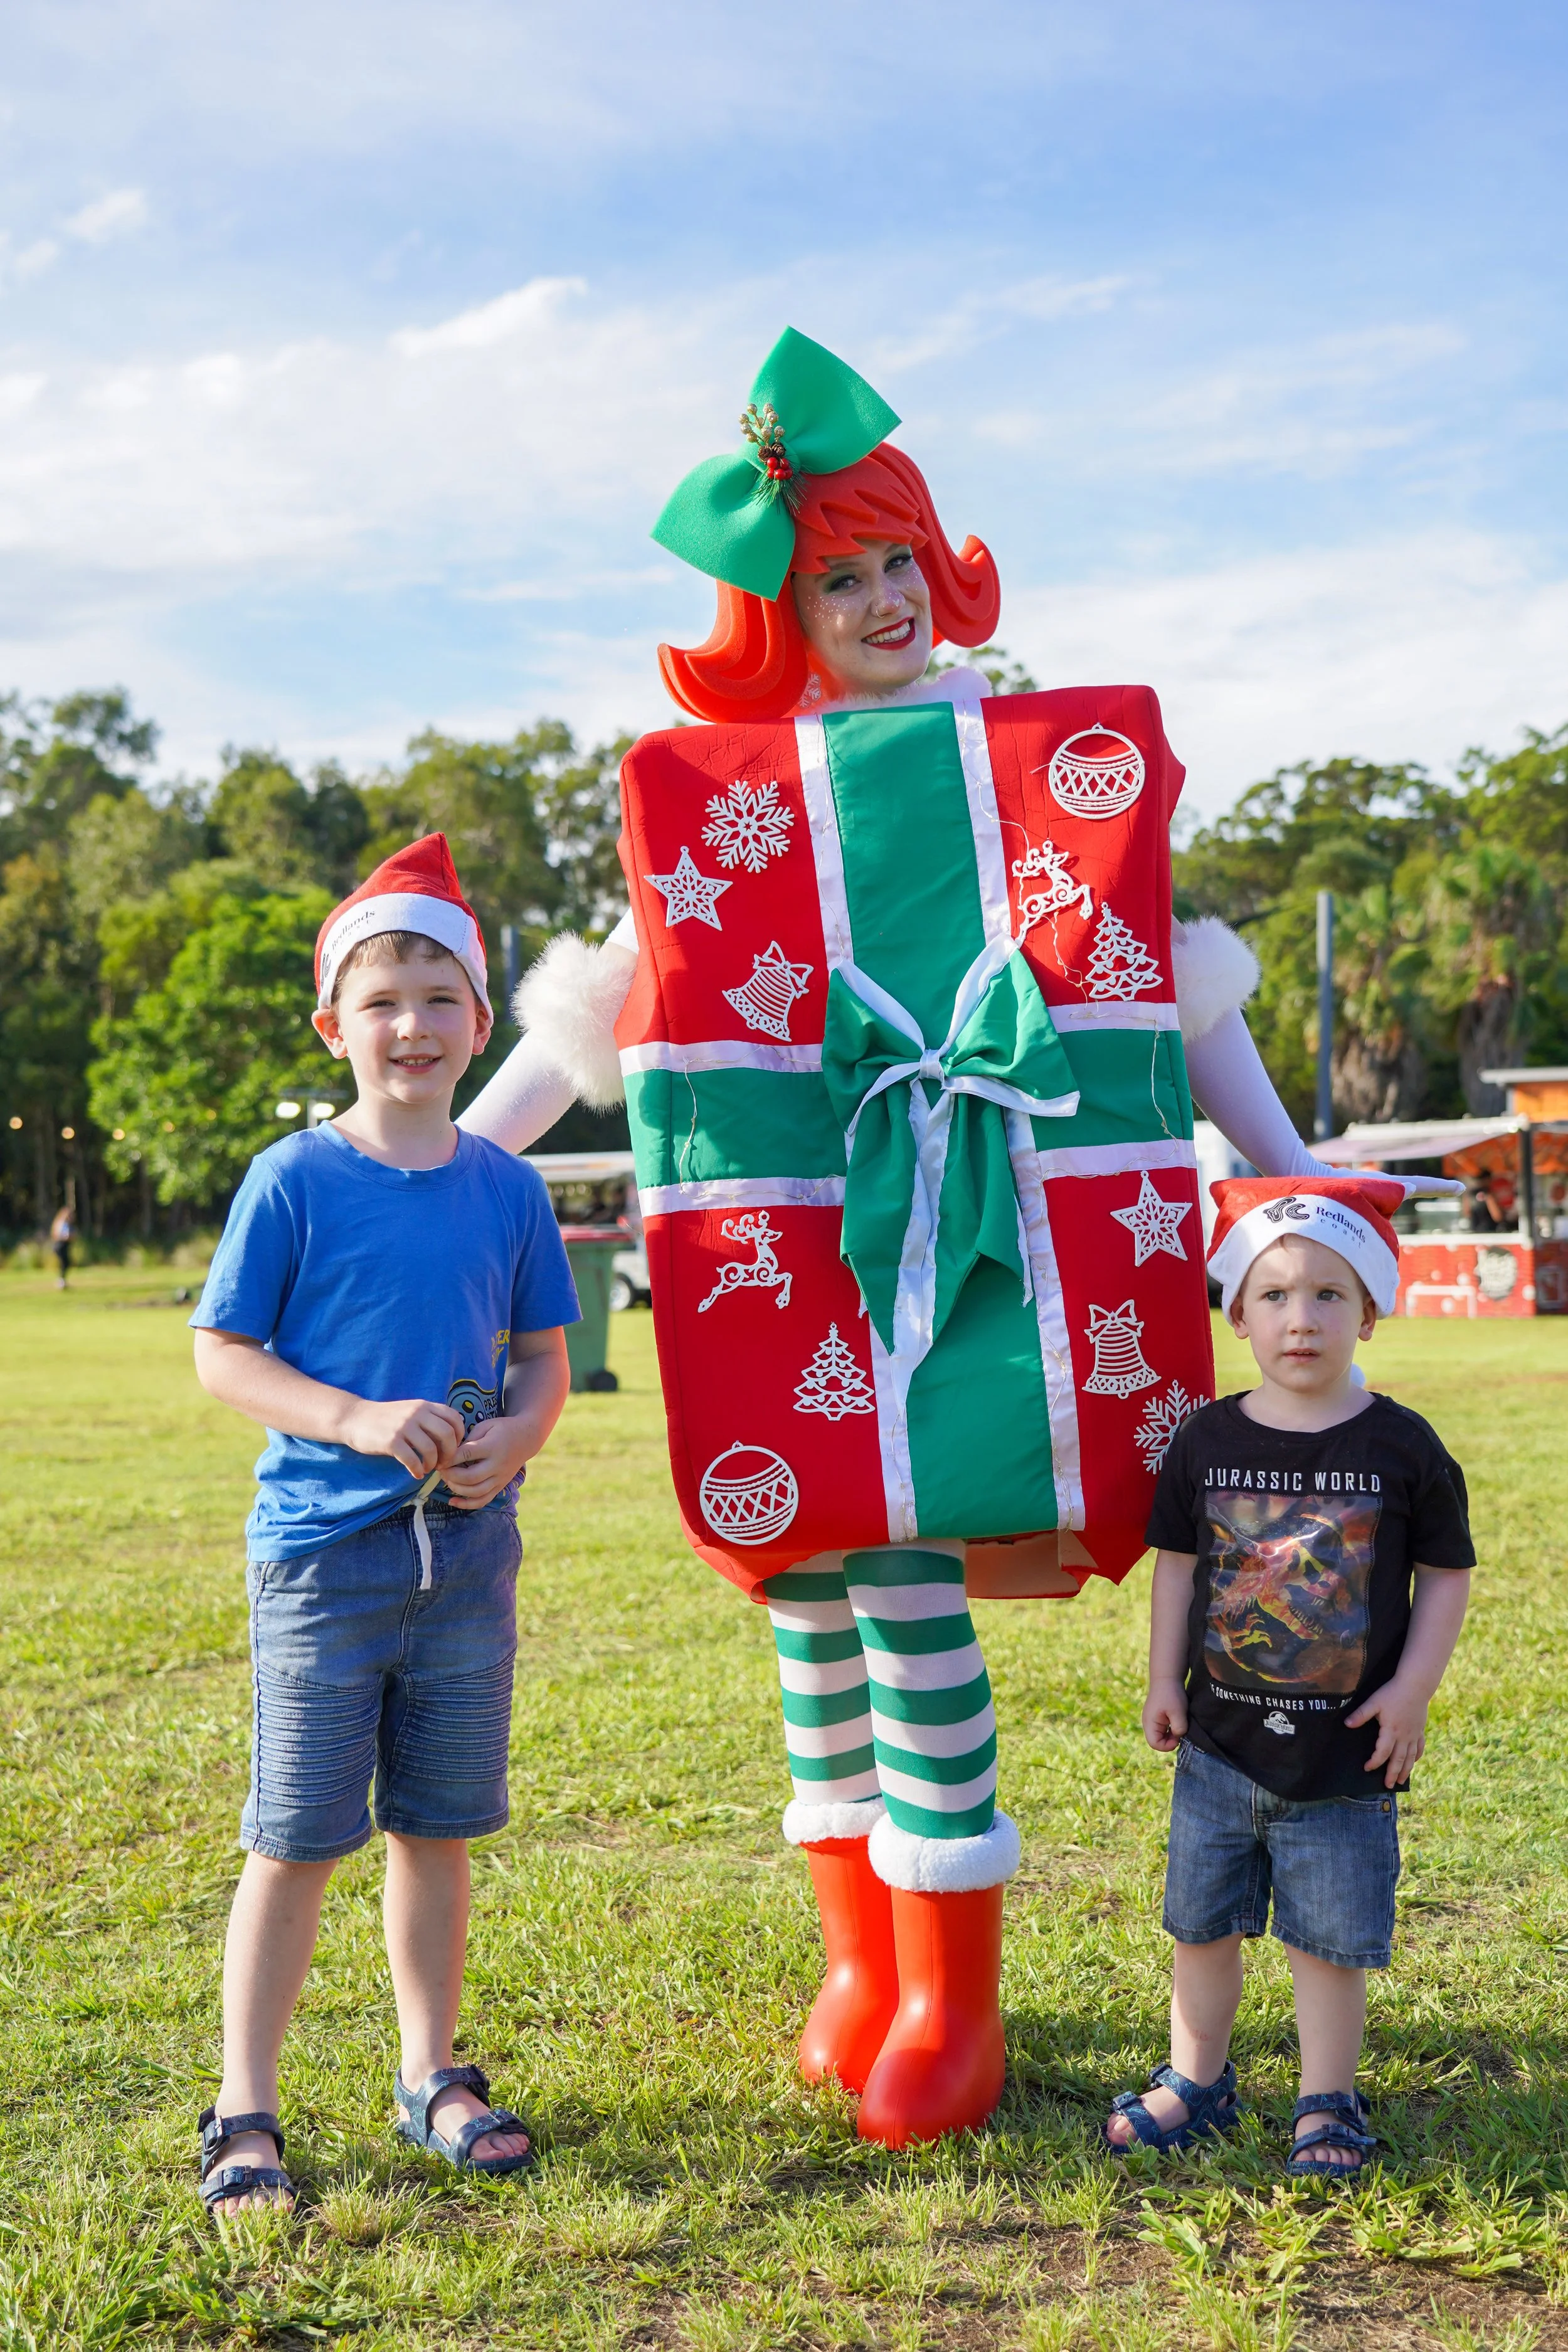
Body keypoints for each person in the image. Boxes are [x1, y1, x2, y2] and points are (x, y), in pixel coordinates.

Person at [457, 329, 1455, 2148]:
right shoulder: (730, 798)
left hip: (979, 1255)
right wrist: (440, 1162)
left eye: (899, 559)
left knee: (906, 1580)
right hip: (803, 1254)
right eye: (838, 575)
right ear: (786, 605)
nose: (882, 598)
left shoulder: (1032, 762)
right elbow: (616, 1006)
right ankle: (858, 1958)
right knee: (811, 1606)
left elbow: (1161, 980)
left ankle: (953, 1997)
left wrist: (1296, 1168)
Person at [189, 834, 577, 2217]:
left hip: (469, 1556)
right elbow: (224, 1355)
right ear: (333, 1025)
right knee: (296, 1834)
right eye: (380, 996)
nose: (410, 1024)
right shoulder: (293, 1179)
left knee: (436, 1824)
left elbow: (541, 1359)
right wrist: (356, 1420)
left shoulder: (509, 1189)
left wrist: (515, 1437)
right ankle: (244, 2108)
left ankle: (430, 2074)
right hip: (325, 1562)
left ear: (482, 1023)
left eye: (438, 995)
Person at [1104, 1177, 1473, 2176]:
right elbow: (1179, 1566)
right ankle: (1198, 2079)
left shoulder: (1401, 1443)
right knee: (1202, 1925)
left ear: (1371, 1310)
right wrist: (1162, 1679)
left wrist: (1414, 1690)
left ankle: (1328, 2100)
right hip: (1220, 1751)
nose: (1300, 1318)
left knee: (1328, 1945)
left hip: (1345, 1763)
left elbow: (1447, 1571)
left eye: (1327, 1294)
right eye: (1273, 1295)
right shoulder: (1207, 1440)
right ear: (1236, 1313)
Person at [50, 1202, 73, 1288]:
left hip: (64, 1246)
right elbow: (57, 1235)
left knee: (66, 1263)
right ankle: (61, 1282)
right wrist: (68, 1237)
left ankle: (62, 1281)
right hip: (60, 1246)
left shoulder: (67, 1224)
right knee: (64, 1263)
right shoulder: (62, 1224)